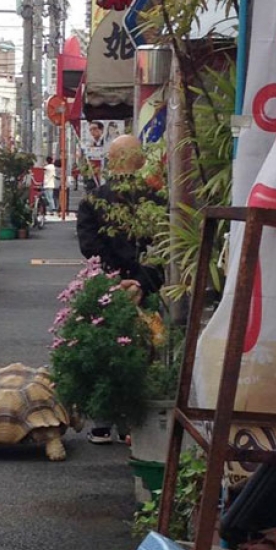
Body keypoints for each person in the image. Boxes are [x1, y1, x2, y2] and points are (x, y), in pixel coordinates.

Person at [76, 133, 165, 445]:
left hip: (107, 286)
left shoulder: (93, 201)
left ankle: (102, 424)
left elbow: (90, 247)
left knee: (103, 349)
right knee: (145, 354)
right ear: (140, 162)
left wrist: (115, 280)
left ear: (110, 162)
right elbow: (161, 250)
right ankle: (134, 424)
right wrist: (140, 282)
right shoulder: (157, 201)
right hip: (146, 287)